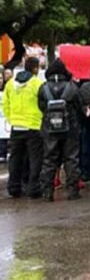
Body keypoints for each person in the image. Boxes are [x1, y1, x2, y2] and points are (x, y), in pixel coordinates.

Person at [38, 59, 83, 201]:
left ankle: (47, 193)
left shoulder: (44, 88)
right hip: (70, 129)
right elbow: (79, 107)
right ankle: (73, 191)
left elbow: (41, 106)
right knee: (71, 159)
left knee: (49, 160)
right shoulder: (72, 87)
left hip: (49, 129)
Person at [4, 58, 44, 199]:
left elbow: (5, 104)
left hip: (16, 126)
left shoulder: (10, 84)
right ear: (35, 68)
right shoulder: (37, 83)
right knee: (35, 159)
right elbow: (44, 104)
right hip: (34, 126)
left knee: (15, 158)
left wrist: (12, 119)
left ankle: (14, 187)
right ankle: (34, 188)